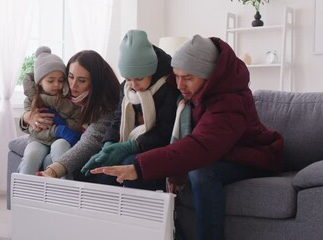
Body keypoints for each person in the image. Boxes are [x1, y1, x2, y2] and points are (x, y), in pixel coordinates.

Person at [90, 35, 284, 240]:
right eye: (177, 76)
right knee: (144, 168)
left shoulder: (230, 102)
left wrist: (139, 167)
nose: (179, 85)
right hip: (220, 151)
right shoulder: (190, 90)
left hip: (249, 156)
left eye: (188, 78)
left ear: (208, 75)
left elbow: (199, 145)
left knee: (201, 173)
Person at [80, 29, 179, 190]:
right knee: (98, 170)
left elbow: (165, 130)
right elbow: (118, 119)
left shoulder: (169, 86)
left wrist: (131, 146)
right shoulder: (125, 88)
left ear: (152, 71)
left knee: (128, 163)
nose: (133, 85)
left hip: (158, 149)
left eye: (139, 78)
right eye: (128, 79)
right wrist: (109, 144)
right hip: (131, 142)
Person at [22, 50, 120, 178]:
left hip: (74, 144)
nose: (73, 85)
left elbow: (91, 141)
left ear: (96, 82)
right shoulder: (62, 89)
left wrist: (55, 169)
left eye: (82, 80)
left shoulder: (105, 105)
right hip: (46, 138)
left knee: (49, 160)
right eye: (71, 76)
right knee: (33, 155)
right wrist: (26, 117)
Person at [17, 46, 82, 175]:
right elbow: (33, 129)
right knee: (32, 155)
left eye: (61, 80)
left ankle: (66, 191)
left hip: (61, 139)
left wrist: (63, 126)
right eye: (51, 81)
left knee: (61, 148)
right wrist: (55, 130)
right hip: (38, 140)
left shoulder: (68, 99)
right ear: (40, 82)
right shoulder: (31, 100)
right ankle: (22, 192)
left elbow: (78, 121)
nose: (57, 85)